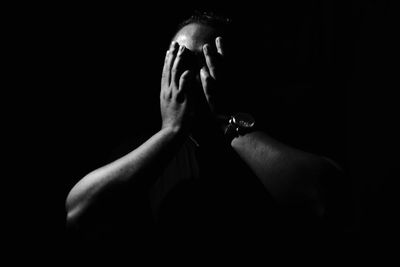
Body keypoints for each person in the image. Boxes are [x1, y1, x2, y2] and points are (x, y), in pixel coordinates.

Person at [65, 12, 344, 246]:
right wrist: (171, 131)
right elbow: (79, 212)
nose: (190, 74)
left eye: (207, 61)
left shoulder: (275, 140)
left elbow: (327, 201)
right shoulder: (144, 155)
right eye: (180, 60)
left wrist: (228, 118)